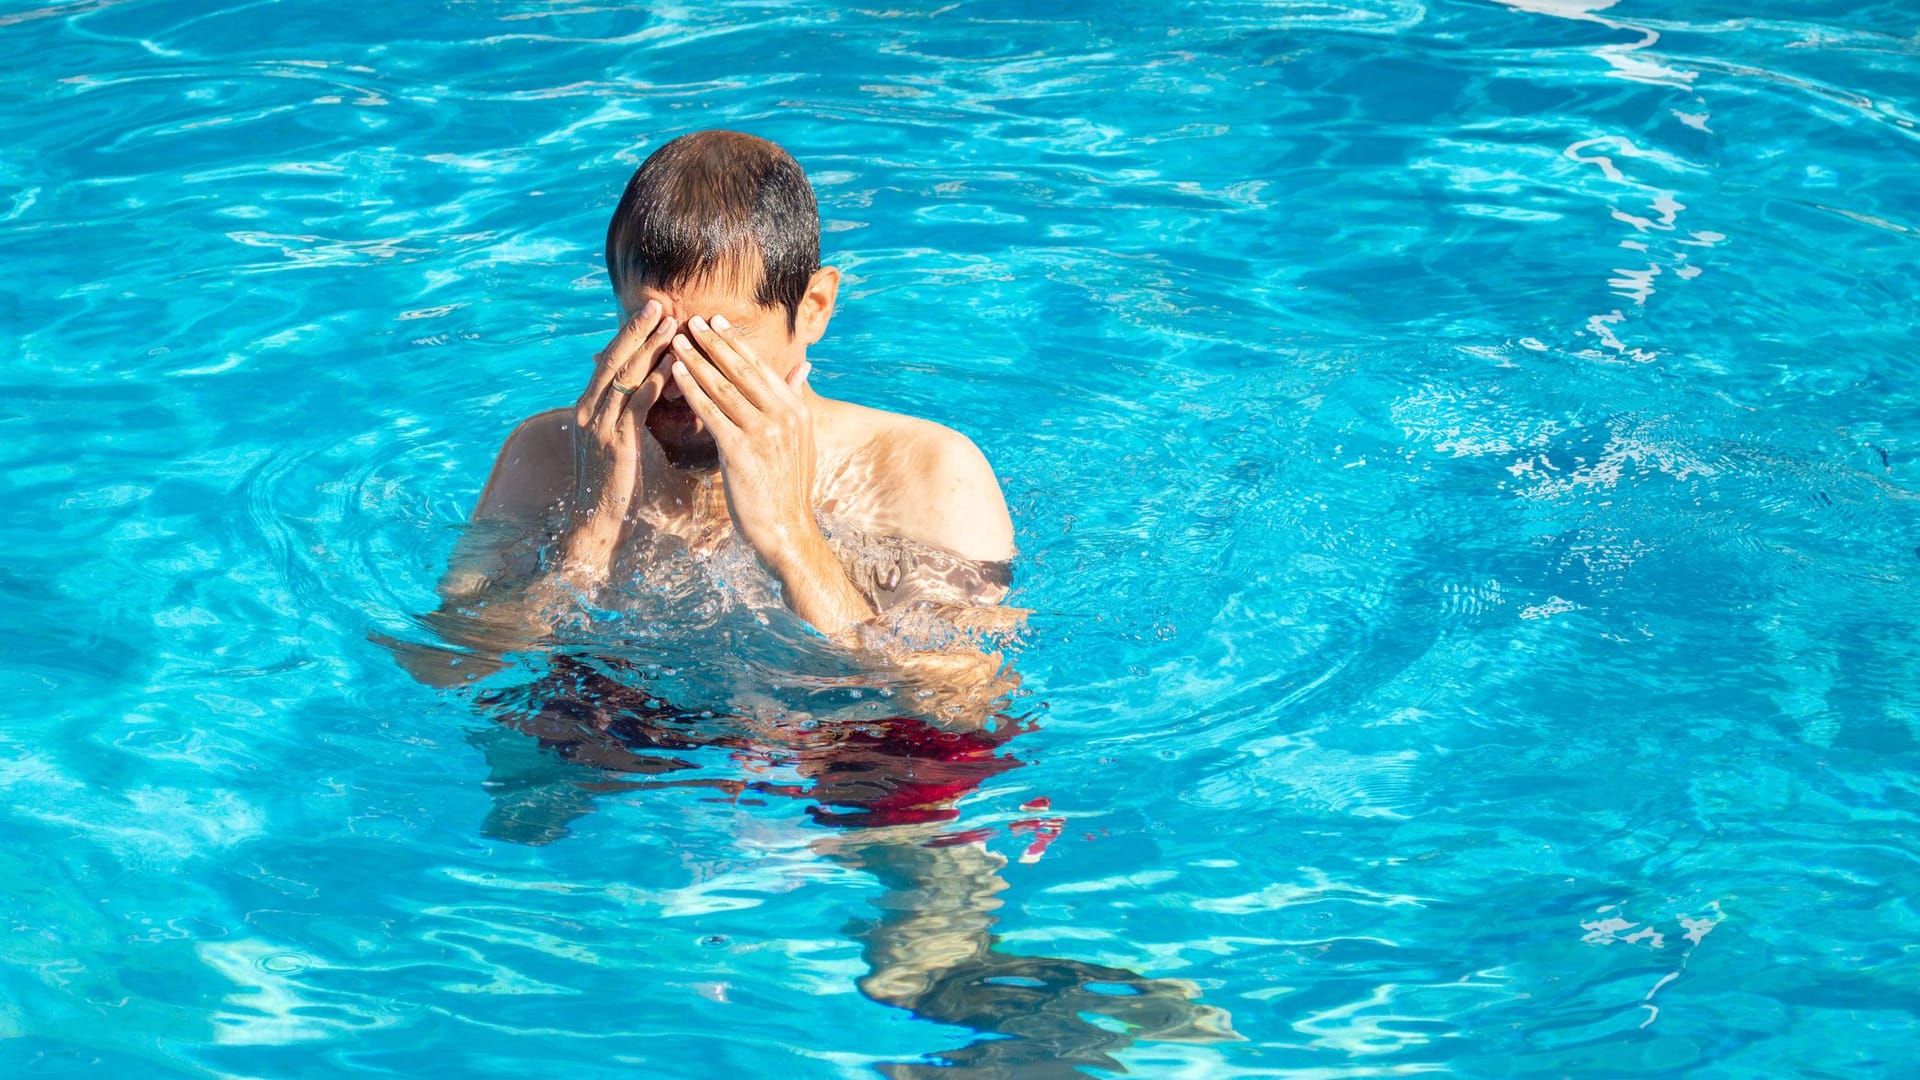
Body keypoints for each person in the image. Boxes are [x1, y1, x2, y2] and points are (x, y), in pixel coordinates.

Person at [422, 129, 1018, 676]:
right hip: (621, 722)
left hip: (830, 747)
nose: (680, 375)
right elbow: (447, 670)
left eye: (715, 337)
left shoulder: (927, 472)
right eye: (650, 330)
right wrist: (592, 529)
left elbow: (962, 704)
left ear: (812, 308)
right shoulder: (551, 456)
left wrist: (793, 540)